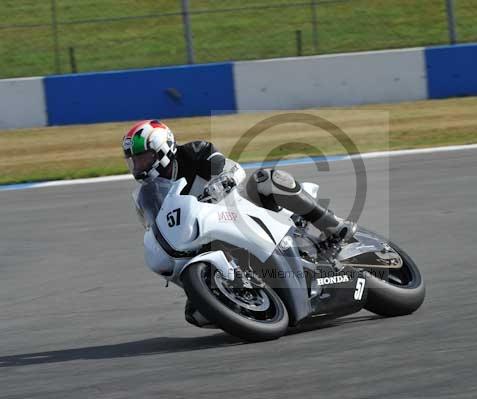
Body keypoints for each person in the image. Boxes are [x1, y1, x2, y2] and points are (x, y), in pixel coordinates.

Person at [122, 119, 356, 327]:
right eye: (134, 161)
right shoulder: (147, 196)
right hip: (205, 236)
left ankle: (333, 225)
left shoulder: (195, 152)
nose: (138, 166)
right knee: (196, 314)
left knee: (266, 179)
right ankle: (244, 296)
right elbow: (156, 227)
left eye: (142, 158)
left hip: (239, 208)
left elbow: (229, 168)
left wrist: (222, 182)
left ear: (162, 150)